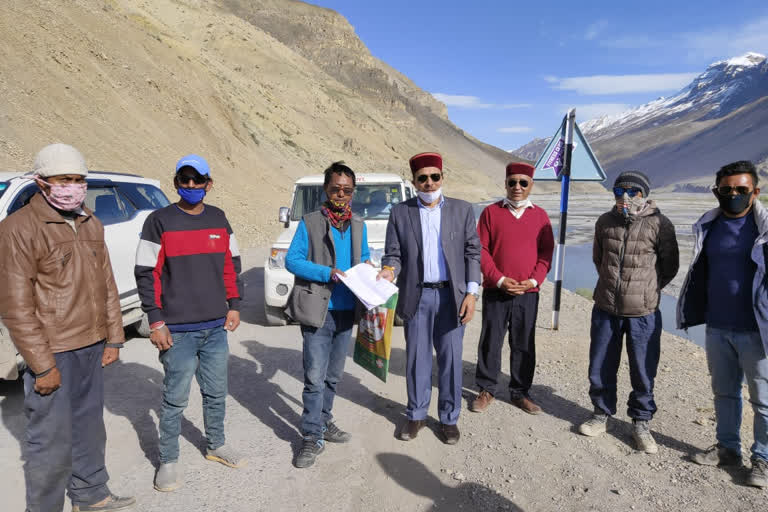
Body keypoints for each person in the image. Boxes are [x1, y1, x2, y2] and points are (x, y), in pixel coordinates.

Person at [0, 143, 135, 512]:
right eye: (64, 179)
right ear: (42, 182)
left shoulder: (91, 222)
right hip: (53, 350)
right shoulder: (18, 228)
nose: (72, 187)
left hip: (92, 344)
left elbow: (107, 285)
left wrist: (115, 338)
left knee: (90, 428)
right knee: (50, 442)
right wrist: (42, 365)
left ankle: (91, 496)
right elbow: (15, 306)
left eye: (78, 180)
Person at [135, 154, 244, 492]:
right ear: (176, 183)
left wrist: (234, 304)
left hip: (215, 327)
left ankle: (215, 444)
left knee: (216, 392)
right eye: (185, 180)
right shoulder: (160, 220)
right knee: (174, 399)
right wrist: (155, 320)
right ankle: (167, 460)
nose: (192, 186)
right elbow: (145, 271)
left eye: (198, 180)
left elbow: (231, 263)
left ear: (209, 184)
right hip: (176, 331)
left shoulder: (219, 218)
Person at [378, 152, 481, 445]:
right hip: (417, 295)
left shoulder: (462, 210)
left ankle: (449, 419)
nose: (429, 182)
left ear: (442, 178)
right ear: (414, 182)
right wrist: (388, 271)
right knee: (417, 359)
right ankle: (416, 414)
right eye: (422, 178)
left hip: (452, 296)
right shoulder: (400, 212)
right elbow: (393, 254)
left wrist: (471, 293)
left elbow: (473, 252)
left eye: (434, 176)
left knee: (450, 359)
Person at [678, 160, 768, 488]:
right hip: (717, 327)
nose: (733, 194)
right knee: (724, 393)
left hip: (758, 330)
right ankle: (729, 449)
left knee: (764, 399)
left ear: (755, 192)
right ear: (717, 191)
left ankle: (763, 458)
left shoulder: (765, 229)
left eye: (741, 190)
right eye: (726, 189)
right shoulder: (708, 226)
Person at [578, 171, 679, 455]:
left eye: (633, 192)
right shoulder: (604, 222)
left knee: (643, 370)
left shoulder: (660, 223)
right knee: (600, 365)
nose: (625, 197)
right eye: (619, 191)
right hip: (606, 309)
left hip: (643, 312)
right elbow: (599, 260)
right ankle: (601, 413)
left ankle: (641, 422)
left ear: (643, 194)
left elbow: (669, 267)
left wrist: (646, 290)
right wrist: (613, 287)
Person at [285, 161, 371, 468]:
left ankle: (324, 423)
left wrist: (373, 272)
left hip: (348, 311)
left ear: (353, 192)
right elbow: (292, 261)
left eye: (347, 190)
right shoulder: (309, 222)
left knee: (333, 377)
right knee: (314, 379)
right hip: (319, 312)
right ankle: (310, 437)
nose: (341, 194)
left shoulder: (358, 224)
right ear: (326, 188)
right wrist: (327, 273)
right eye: (335, 188)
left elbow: (365, 258)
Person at [471, 162, 554, 415]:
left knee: (524, 342)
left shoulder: (540, 216)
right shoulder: (490, 213)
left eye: (523, 183)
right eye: (512, 182)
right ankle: (487, 389)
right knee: (491, 339)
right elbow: (481, 249)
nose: (517, 187)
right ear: (505, 184)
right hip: (497, 290)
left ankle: (520, 392)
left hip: (528, 292)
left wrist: (533, 281)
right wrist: (498, 279)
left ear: (531, 185)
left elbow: (546, 253)